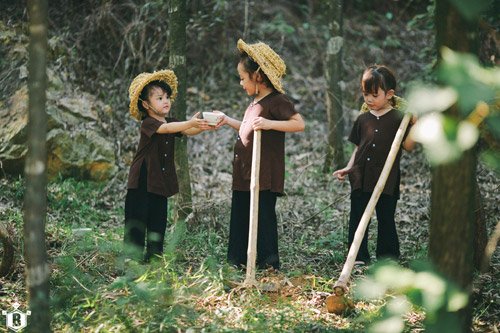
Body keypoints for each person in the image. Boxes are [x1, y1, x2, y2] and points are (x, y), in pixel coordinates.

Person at [214, 39, 305, 270]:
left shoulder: (277, 101)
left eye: (243, 78)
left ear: (258, 77)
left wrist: (269, 122)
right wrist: (227, 120)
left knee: (263, 216)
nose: (241, 83)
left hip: (263, 174)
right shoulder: (255, 102)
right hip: (245, 172)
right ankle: (238, 260)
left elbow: (298, 124)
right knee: (241, 215)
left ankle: (269, 262)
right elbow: (248, 127)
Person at [124, 69, 210, 263]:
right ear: (146, 104)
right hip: (142, 180)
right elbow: (166, 129)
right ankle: (132, 259)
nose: (166, 101)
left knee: (158, 218)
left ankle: (154, 257)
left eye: (167, 97)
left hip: (159, 181)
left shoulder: (171, 121)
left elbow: (187, 130)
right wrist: (189, 122)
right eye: (159, 98)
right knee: (137, 219)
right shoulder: (149, 123)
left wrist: (202, 125)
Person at [333, 65, 415, 264]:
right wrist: (348, 167)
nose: (369, 99)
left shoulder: (398, 119)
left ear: (389, 94)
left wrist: (415, 125)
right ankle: (358, 257)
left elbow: (408, 146)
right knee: (358, 216)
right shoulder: (363, 119)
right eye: (365, 94)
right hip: (361, 175)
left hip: (387, 177)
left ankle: (387, 258)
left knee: (386, 217)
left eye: (374, 95)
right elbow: (358, 147)